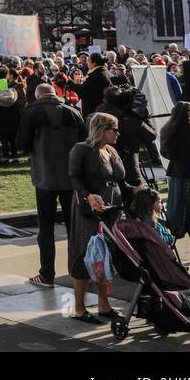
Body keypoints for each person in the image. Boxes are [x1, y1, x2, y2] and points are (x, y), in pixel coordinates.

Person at [18, 82, 87, 287]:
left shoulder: (31, 112)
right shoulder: (73, 112)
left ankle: (47, 274)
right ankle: (80, 272)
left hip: (44, 176)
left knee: (46, 228)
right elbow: (84, 144)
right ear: (54, 94)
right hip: (71, 178)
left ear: (38, 96)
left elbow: (22, 144)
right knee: (74, 228)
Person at [67, 112, 126, 324]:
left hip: (111, 210)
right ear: (101, 129)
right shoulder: (82, 149)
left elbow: (120, 180)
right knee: (84, 254)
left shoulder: (111, 150)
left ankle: (104, 305)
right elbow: (74, 177)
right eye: (114, 129)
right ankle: (79, 308)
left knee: (104, 257)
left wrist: (137, 191)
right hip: (89, 212)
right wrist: (87, 196)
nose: (118, 133)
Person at [160, 101, 190, 260]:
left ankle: (167, 247)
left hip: (177, 175)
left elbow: (164, 153)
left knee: (176, 211)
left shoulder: (168, 131)